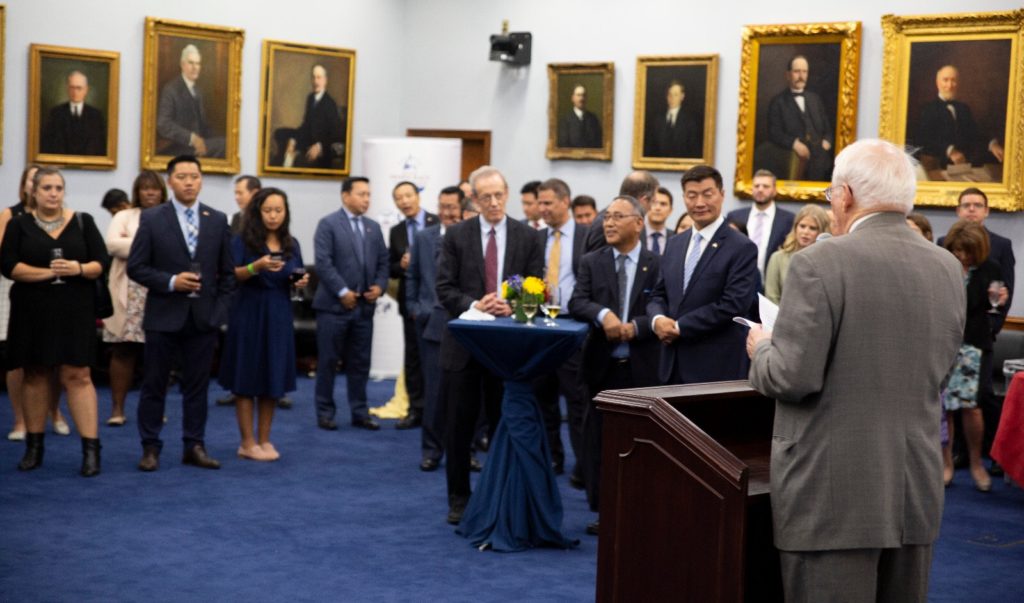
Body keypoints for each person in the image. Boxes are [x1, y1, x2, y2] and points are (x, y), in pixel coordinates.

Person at [746, 139, 966, 601]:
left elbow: (791, 377)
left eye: (830, 196)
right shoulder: (946, 266)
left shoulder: (820, 262)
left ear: (844, 196)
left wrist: (763, 347)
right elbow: (939, 375)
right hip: (912, 491)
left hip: (831, 499)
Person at [436, 165, 545, 524]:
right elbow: (444, 287)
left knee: (504, 422)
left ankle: (502, 494)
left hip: (507, 345)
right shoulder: (456, 235)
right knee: (459, 426)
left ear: (508, 193)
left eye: (500, 195)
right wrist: (475, 304)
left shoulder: (527, 236)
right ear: (475, 199)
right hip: (465, 342)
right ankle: (459, 498)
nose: (495, 202)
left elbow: (537, 285)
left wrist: (513, 304)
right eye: (486, 197)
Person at [127, 155, 235, 472]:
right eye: (182, 176)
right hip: (163, 315)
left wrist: (220, 312)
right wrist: (171, 282)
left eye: (195, 176)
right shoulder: (153, 218)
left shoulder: (216, 220)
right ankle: (150, 448)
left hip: (203, 318)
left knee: (198, 388)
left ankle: (194, 445)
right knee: (154, 385)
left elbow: (228, 275)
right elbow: (136, 267)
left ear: (201, 180)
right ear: (170, 181)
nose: (189, 182)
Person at [1, 167, 108, 476]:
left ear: (64, 191)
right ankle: (34, 448)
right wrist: (49, 273)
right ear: (33, 192)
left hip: (76, 309)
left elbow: (100, 263)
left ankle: (91, 451)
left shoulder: (83, 221)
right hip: (32, 310)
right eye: (46, 187)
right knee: (35, 373)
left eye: (58, 188)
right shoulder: (19, 224)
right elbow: (9, 266)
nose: (52, 193)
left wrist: (76, 268)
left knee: (79, 375)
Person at [568, 194, 661, 536]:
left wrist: (636, 326)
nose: (608, 223)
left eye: (617, 217)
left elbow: (664, 307)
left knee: (639, 444)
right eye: (606, 217)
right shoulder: (592, 261)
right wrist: (603, 315)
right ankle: (604, 510)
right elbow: (577, 301)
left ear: (638, 223)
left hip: (642, 368)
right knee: (599, 443)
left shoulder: (658, 263)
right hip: (601, 366)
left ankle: (639, 509)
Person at [218, 188, 309, 461]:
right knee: (246, 376)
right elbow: (231, 275)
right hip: (248, 311)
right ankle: (247, 442)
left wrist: (299, 281)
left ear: (286, 212)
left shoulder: (292, 243)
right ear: (257, 212)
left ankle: (265, 439)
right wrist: (255, 267)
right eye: (267, 210)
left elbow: (298, 274)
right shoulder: (242, 241)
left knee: (272, 376)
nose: (273, 216)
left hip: (279, 312)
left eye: (278, 210)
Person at [648, 165, 758, 385]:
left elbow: (733, 304)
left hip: (715, 367)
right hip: (671, 364)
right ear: (684, 198)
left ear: (722, 195)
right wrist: (657, 319)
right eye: (692, 195)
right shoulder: (674, 244)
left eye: (707, 194)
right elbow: (658, 294)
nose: (699, 203)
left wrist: (680, 327)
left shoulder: (741, 247)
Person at [937, 187, 1015, 462]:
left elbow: (1003, 293)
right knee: (946, 401)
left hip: (978, 338)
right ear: (958, 210)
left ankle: (984, 457)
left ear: (986, 210)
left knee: (976, 400)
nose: (971, 209)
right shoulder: (943, 244)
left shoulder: (1000, 248)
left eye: (977, 205)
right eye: (966, 204)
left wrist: (992, 328)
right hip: (945, 339)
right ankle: (951, 455)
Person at [312, 176, 388, 432]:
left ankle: (359, 411)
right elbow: (323, 263)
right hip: (334, 308)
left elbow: (383, 263)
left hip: (364, 308)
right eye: (361, 194)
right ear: (346, 196)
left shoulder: (373, 227)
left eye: (369, 194)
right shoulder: (328, 224)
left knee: (360, 363)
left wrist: (380, 286)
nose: (367, 199)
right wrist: (342, 291)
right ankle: (325, 412)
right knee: (328, 361)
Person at [2, 165, 69, 441]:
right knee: (19, 358)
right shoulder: (12, 215)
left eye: (56, 186)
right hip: (18, 290)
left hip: (57, 293)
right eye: (37, 182)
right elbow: (5, 256)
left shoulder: (66, 217)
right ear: (28, 186)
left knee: (55, 358)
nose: (49, 190)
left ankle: (54, 412)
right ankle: (20, 419)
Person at [406, 186, 466, 470]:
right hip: (430, 324)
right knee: (434, 391)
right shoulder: (422, 238)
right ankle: (431, 450)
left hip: (466, 325)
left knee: (466, 392)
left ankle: (467, 451)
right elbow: (413, 276)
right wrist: (415, 309)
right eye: (442, 206)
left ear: (463, 209)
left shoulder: (472, 238)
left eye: (452, 207)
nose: (447, 212)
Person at [534, 178, 590, 480]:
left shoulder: (587, 235)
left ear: (565, 202)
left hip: (574, 326)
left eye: (547, 203)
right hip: (542, 325)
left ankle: (583, 465)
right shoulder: (536, 238)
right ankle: (552, 458)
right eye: (539, 203)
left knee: (577, 401)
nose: (542, 209)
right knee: (544, 400)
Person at [103, 171, 168, 426]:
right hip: (127, 293)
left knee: (158, 354)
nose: (150, 192)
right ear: (137, 192)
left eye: (155, 188)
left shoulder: (170, 216)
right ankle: (117, 409)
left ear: (162, 191)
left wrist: (138, 245)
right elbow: (112, 245)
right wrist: (150, 245)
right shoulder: (124, 216)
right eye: (145, 188)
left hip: (160, 293)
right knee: (123, 351)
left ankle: (154, 409)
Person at [389, 181, 439, 430]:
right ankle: (416, 410)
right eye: (399, 198)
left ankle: (435, 409)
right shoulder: (396, 231)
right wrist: (402, 264)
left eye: (408, 195)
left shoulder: (437, 222)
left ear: (418, 196)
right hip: (411, 305)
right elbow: (391, 268)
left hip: (437, 304)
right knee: (413, 359)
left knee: (436, 361)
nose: (404, 201)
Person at [913, 65, 1003, 173]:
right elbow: (924, 139)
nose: (950, 85)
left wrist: (992, 144)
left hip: (964, 167)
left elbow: (975, 133)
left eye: (953, 80)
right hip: (938, 167)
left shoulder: (964, 109)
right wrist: (950, 151)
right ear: (937, 83)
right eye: (945, 80)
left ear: (958, 83)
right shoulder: (928, 109)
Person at [765, 55, 834, 181]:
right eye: (797, 71)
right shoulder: (778, 102)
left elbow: (828, 130)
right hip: (796, 161)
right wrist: (794, 144)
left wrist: (825, 144)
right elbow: (774, 132)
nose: (801, 76)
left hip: (822, 161)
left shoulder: (815, 99)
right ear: (788, 75)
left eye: (804, 72)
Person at [156, 45, 225, 158]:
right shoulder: (171, 89)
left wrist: (205, 140)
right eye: (191, 63)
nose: (195, 67)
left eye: (198, 64)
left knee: (226, 144)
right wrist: (192, 139)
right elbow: (163, 124)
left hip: (197, 146)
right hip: (178, 146)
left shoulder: (197, 91)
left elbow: (203, 126)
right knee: (222, 145)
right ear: (182, 65)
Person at [726, 169, 796, 281]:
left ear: (774, 190)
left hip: (771, 284)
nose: (760, 189)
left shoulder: (788, 219)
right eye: (756, 186)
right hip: (738, 281)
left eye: (765, 186)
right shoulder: (735, 216)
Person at [763, 204, 830, 304]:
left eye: (812, 228)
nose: (805, 232)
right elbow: (771, 298)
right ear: (795, 227)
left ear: (821, 232)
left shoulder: (827, 261)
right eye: (802, 226)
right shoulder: (777, 258)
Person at [281, 65, 346, 169]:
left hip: (323, 150)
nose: (316, 81)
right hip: (307, 143)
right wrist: (293, 140)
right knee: (284, 141)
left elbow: (336, 134)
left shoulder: (330, 103)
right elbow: (306, 125)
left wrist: (320, 146)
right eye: (314, 77)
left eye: (319, 77)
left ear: (325, 80)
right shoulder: (310, 98)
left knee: (297, 161)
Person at [582, 170, 660, 254]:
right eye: (653, 201)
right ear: (643, 200)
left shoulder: (637, 222)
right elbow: (596, 263)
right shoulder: (605, 224)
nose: (652, 208)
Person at [40, 70, 106, 156]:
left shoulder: (96, 115)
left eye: (79, 88)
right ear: (67, 89)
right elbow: (48, 145)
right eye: (72, 88)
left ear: (86, 90)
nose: (75, 92)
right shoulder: (56, 113)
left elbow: (99, 146)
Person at [643, 80, 700, 158]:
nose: (672, 98)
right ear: (666, 96)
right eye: (670, 94)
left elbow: (693, 152)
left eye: (676, 95)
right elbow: (649, 149)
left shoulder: (690, 122)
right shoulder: (657, 120)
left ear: (682, 96)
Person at [645, 186, 673, 255]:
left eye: (663, 204)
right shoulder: (635, 236)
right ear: (646, 206)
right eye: (654, 203)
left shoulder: (676, 237)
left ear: (670, 210)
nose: (658, 208)